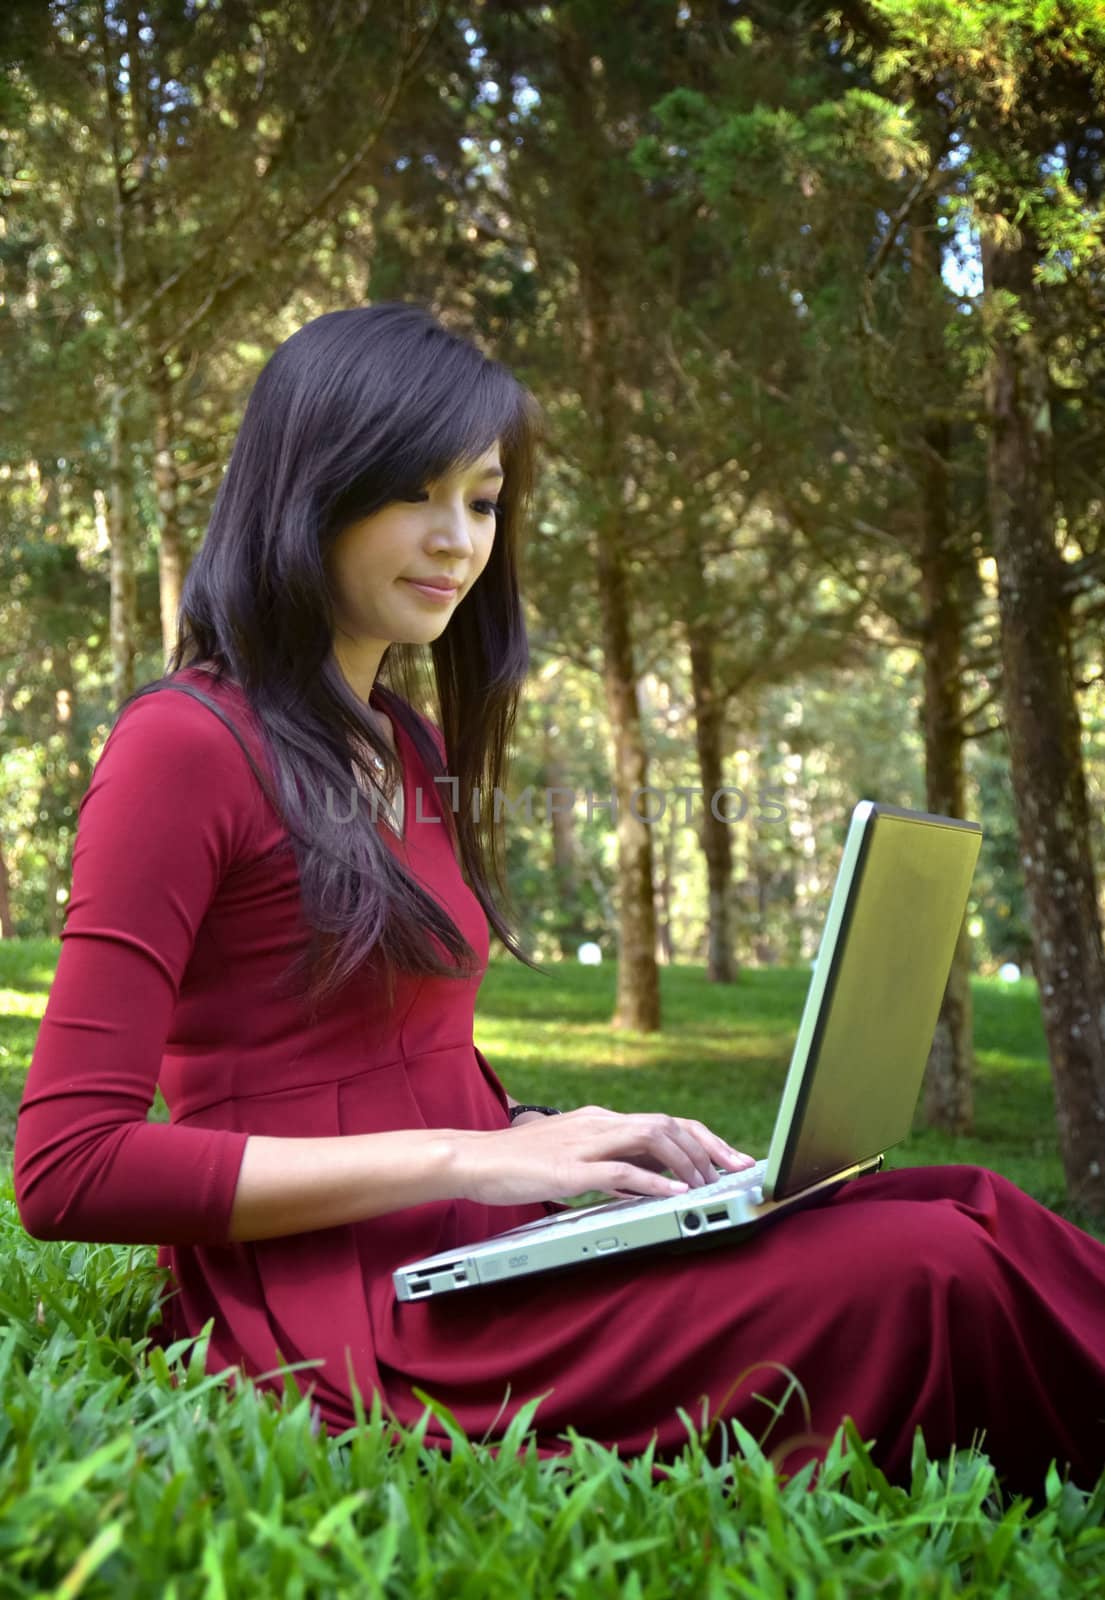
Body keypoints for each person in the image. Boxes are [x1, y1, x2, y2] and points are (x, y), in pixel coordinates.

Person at [13, 303, 1105, 1509]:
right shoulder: (182, 745)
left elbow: (391, 1050)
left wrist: (571, 1128)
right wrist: (477, 1156)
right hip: (354, 1307)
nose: (455, 541)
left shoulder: (407, 745)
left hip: (477, 1249)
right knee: (927, 1266)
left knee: (969, 1200)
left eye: (481, 501)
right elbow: (70, 1167)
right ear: (309, 490)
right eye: (411, 494)